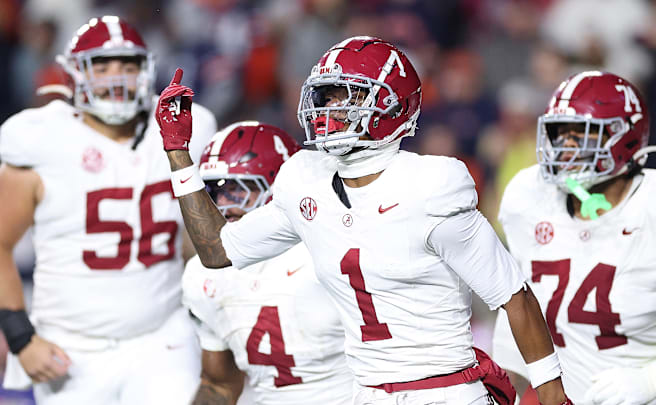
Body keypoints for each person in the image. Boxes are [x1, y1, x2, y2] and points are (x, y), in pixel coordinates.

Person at [155, 37, 573, 405]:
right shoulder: (306, 181)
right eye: (327, 97)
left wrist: (552, 394)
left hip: (445, 390)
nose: (331, 110)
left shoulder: (430, 186)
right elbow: (218, 251)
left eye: (348, 97)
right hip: (368, 394)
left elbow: (513, 296)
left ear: (393, 104)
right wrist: (178, 152)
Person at [0, 15, 217, 404]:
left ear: (146, 70)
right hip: (71, 346)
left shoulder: (186, 127)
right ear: (75, 73)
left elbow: (196, 238)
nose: (116, 77)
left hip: (163, 337)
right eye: (101, 66)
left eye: (128, 65)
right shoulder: (40, 138)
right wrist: (21, 338)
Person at [492, 71, 656, 404]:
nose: (566, 147)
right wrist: (502, 392)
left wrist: (655, 379)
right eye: (560, 133)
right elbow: (519, 309)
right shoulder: (530, 198)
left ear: (623, 137)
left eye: (581, 134)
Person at [182, 121, 354, 405]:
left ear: (280, 188)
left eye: (237, 189)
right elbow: (219, 385)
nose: (222, 203)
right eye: (214, 191)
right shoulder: (203, 275)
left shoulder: (328, 251)